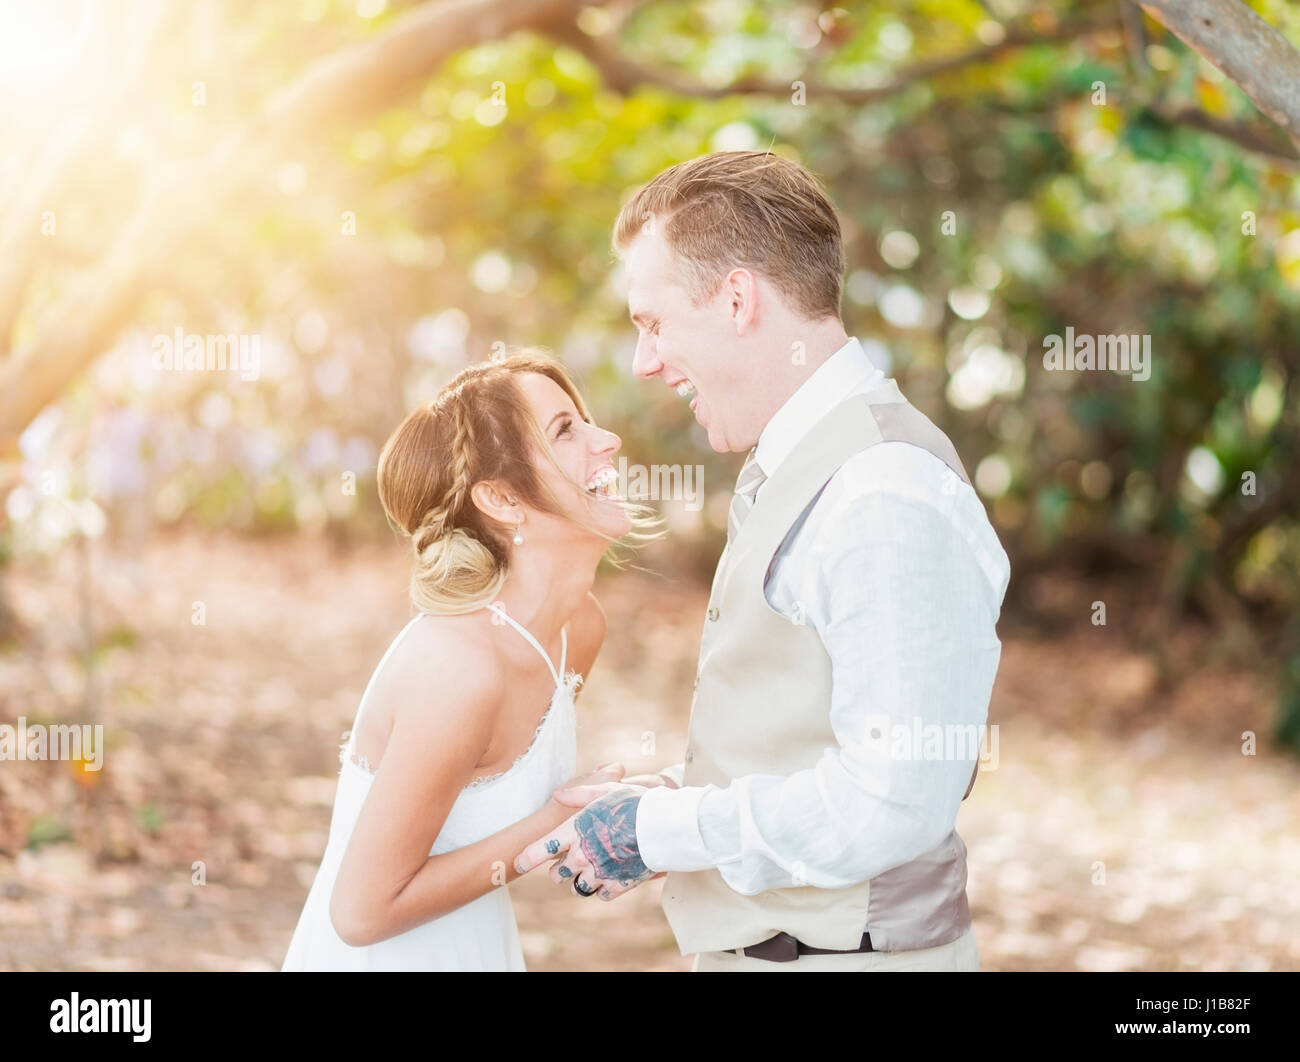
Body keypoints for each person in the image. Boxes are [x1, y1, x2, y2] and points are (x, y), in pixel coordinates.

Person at [515, 150, 1011, 972]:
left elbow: (894, 799)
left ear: (738, 298)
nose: (644, 361)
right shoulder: (806, 464)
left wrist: (662, 833)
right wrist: (670, 799)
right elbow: (809, 742)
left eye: (653, 322)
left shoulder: (883, 491)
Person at [281, 351, 655, 970]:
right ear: (503, 498)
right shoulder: (458, 667)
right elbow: (360, 913)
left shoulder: (579, 628)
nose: (608, 440)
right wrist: (552, 824)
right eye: (566, 430)